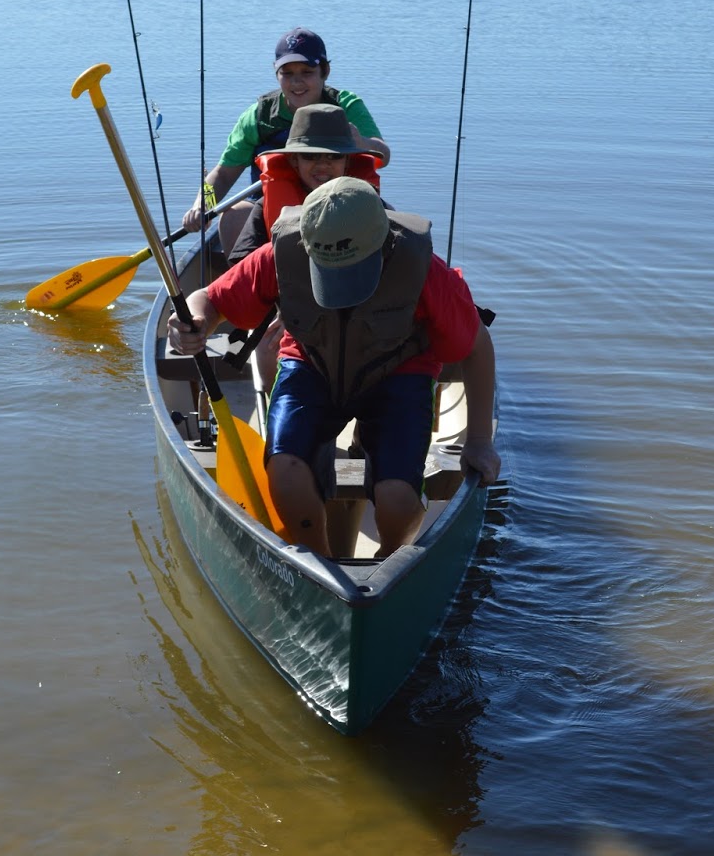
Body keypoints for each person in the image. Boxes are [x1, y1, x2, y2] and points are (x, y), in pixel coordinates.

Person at [168, 176, 500, 559]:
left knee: (396, 496)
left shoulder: (424, 270)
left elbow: (476, 346)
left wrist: (478, 441)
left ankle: (392, 560)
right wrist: (193, 323)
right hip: (311, 365)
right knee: (286, 471)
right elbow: (208, 299)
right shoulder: (283, 253)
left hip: (399, 373)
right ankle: (316, 560)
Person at [181, 28, 389, 253]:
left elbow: (383, 154)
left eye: (307, 72)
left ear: (325, 71)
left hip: (339, 204)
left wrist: (362, 142)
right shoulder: (258, 116)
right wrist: (202, 205)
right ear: (276, 72)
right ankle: (245, 280)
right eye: (287, 73)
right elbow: (223, 174)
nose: (297, 82)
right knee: (233, 216)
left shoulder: (346, 106)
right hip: (271, 208)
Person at [228, 101, 386, 389]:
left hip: (356, 310)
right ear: (293, 161)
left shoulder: (369, 206)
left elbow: (400, 260)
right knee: (268, 343)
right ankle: (271, 404)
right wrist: (285, 308)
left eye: (334, 157)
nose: (322, 165)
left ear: (348, 162)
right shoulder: (266, 206)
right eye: (310, 156)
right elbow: (244, 268)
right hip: (287, 311)